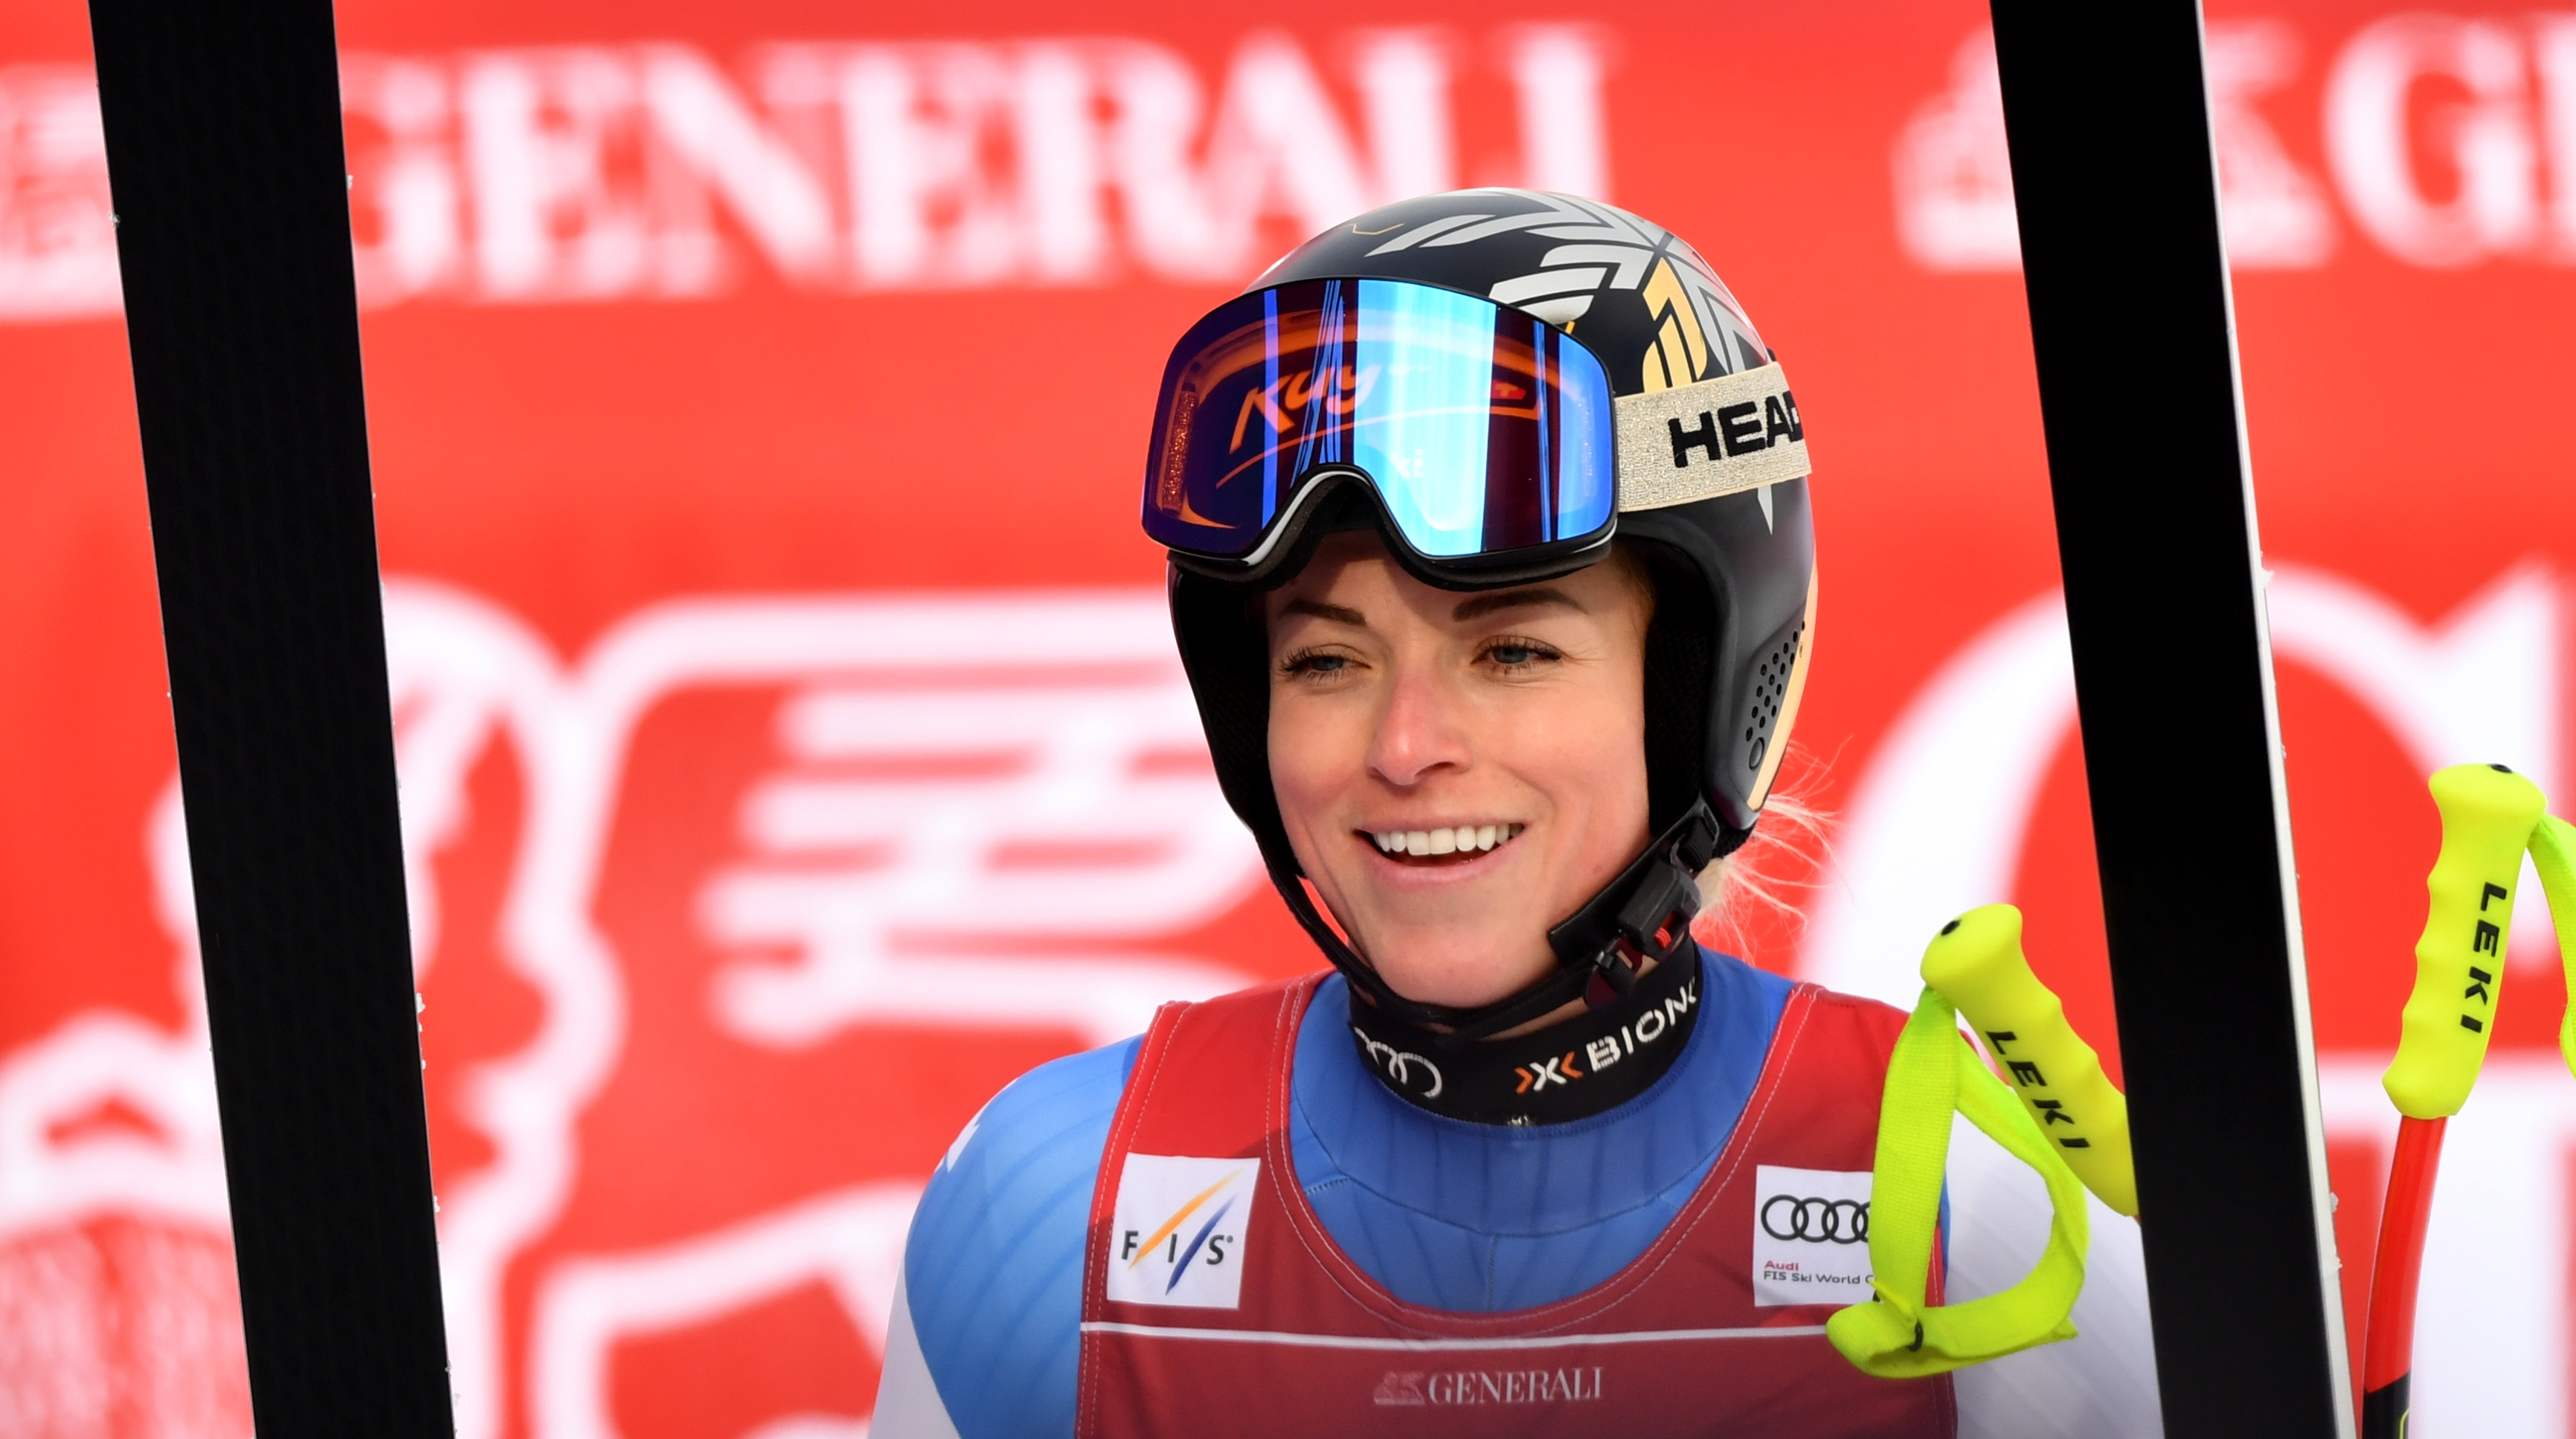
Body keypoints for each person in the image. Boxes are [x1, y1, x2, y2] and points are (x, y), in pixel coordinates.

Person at [869, 189, 2159, 1438]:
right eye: (1327, 661)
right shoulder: (1054, 1214)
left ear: (1697, 692)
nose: (1406, 748)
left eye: (1515, 654)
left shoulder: (1970, 1203)